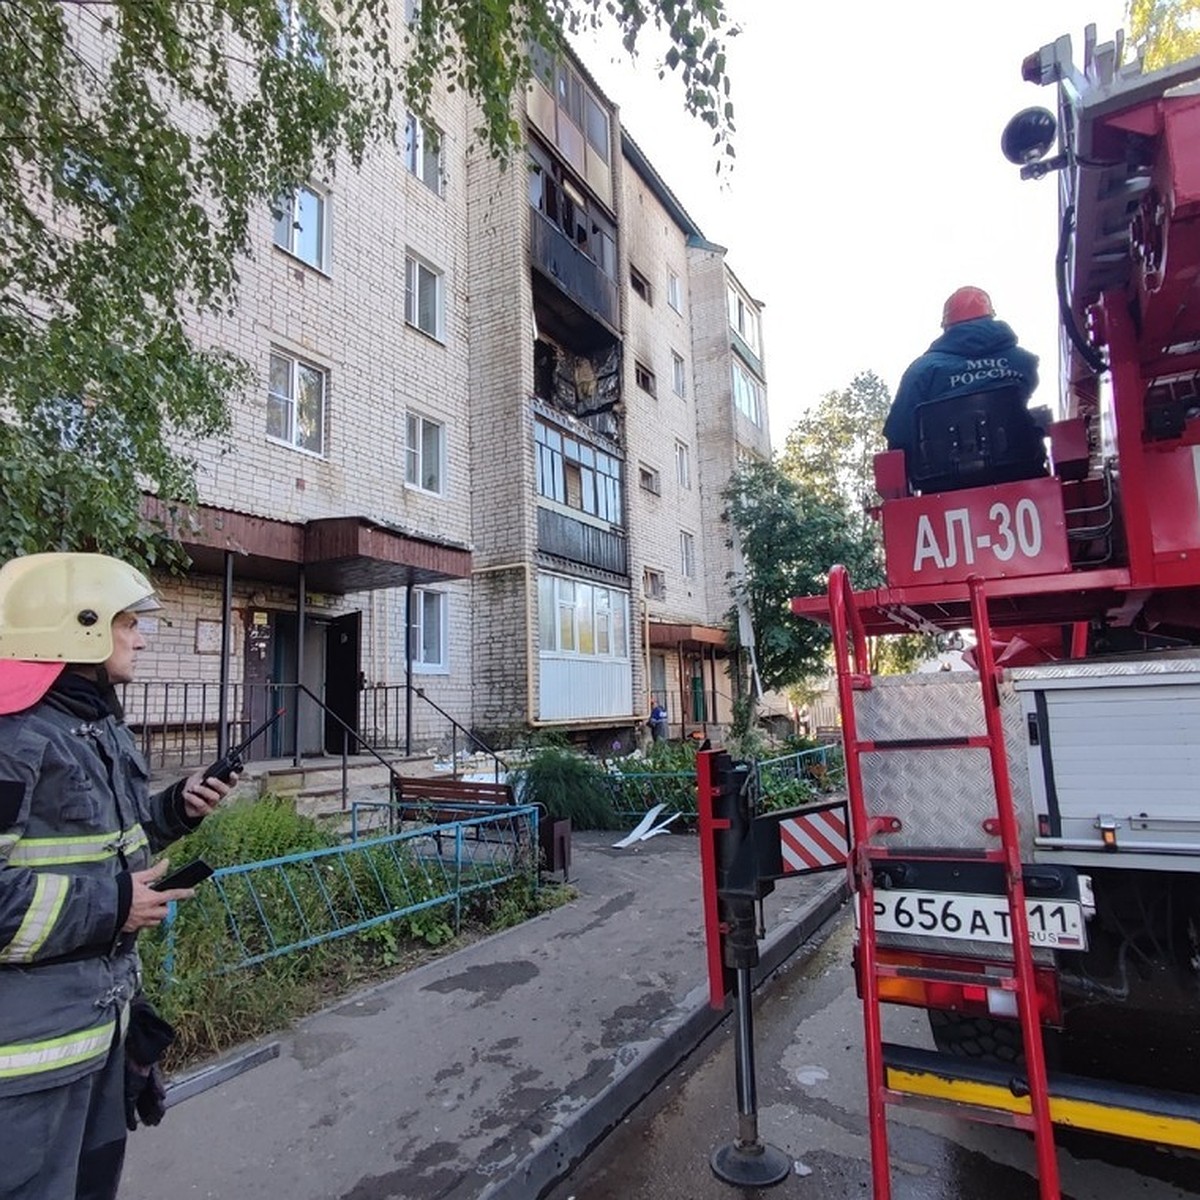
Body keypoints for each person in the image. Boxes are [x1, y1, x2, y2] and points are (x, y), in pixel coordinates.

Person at [0, 552, 238, 1200]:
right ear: (76, 627)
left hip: (99, 1038)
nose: (138, 635)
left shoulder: (91, 728)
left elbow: (107, 847)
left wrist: (172, 810)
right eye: (127, 621)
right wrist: (113, 907)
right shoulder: (11, 737)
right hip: (27, 1070)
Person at [884, 286, 1041, 485]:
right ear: (990, 317)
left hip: (943, 485)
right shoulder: (1022, 361)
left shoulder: (922, 370)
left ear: (946, 326)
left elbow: (899, 433)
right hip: (1021, 473)